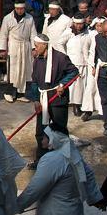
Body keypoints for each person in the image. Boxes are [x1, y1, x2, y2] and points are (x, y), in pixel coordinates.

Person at [27, 33, 78, 161]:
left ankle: (63, 159)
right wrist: (36, 100)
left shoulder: (60, 58)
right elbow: (34, 82)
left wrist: (62, 84)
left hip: (57, 98)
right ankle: (41, 159)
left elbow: (74, 71)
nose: (35, 48)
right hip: (43, 99)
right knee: (40, 132)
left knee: (59, 131)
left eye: (37, 46)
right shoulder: (37, 60)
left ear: (45, 45)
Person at [0, 1, 37, 103]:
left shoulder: (29, 18)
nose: (20, 11)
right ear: (15, 8)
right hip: (13, 47)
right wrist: (3, 49)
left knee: (24, 71)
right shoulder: (8, 18)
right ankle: (8, 92)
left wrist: (34, 48)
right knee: (13, 71)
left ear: (24, 8)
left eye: (22, 9)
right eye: (18, 9)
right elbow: (3, 35)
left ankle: (21, 94)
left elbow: (33, 34)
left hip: (25, 46)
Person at [66, 15, 93, 119]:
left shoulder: (88, 33)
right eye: (76, 23)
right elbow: (59, 43)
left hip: (86, 63)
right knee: (76, 87)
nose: (78, 26)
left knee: (85, 86)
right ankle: (75, 105)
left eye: (80, 24)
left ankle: (84, 105)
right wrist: (66, 56)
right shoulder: (69, 33)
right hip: (74, 63)